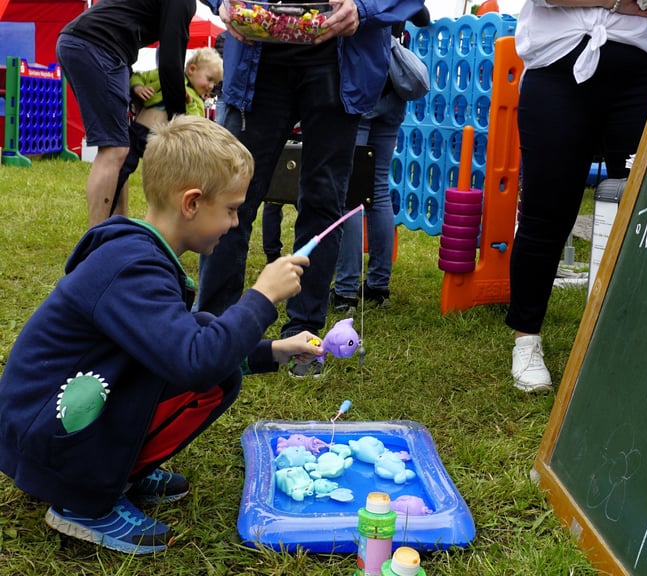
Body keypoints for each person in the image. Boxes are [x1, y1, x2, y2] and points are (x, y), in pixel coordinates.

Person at [0, 116, 322, 554]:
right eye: (231, 209)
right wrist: (262, 297)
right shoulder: (131, 266)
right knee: (215, 374)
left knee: (215, 357)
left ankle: (120, 469)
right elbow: (196, 361)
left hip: (52, 426)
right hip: (44, 436)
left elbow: (186, 339)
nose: (234, 223)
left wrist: (274, 351)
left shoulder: (141, 256)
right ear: (192, 202)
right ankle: (82, 501)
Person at [198, 0, 426, 379]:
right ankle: (213, 334)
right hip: (258, 54)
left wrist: (364, 8)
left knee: (323, 201)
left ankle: (302, 335)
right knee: (228, 196)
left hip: (339, 61)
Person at [506, 0, 647, 392]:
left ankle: (634, 338)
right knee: (546, 210)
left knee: (646, 213)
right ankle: (526, 339)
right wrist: (620, 3)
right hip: (556, 64)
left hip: (646, 68)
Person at [56, 0, 196, 228]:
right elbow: (171, 60)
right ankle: (96, 240)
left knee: (119, 146)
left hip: (86, 43)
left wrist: (132, 87)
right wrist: (179, 120)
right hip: (96, 45)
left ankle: (117, 230)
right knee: (114, 148)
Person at [332, 6, 431, 313]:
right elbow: (423, 16)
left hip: (362, 87)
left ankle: (346, 291)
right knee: (378, 189)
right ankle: (378, 287)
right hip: (394, 92)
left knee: (350, 192)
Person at [113, 47, 225, 208]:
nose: (211, 86)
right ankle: (111, 198)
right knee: (122, 168)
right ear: (192, 69)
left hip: (162, 143)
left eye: (215, 83)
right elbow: (139, 76)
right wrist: (138, 88)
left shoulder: (197, 100)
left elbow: (196, 121)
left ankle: (162, 208)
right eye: (209, 79)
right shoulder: (165, 76)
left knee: (161, 178)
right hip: (139, 132)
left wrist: (189, 103)